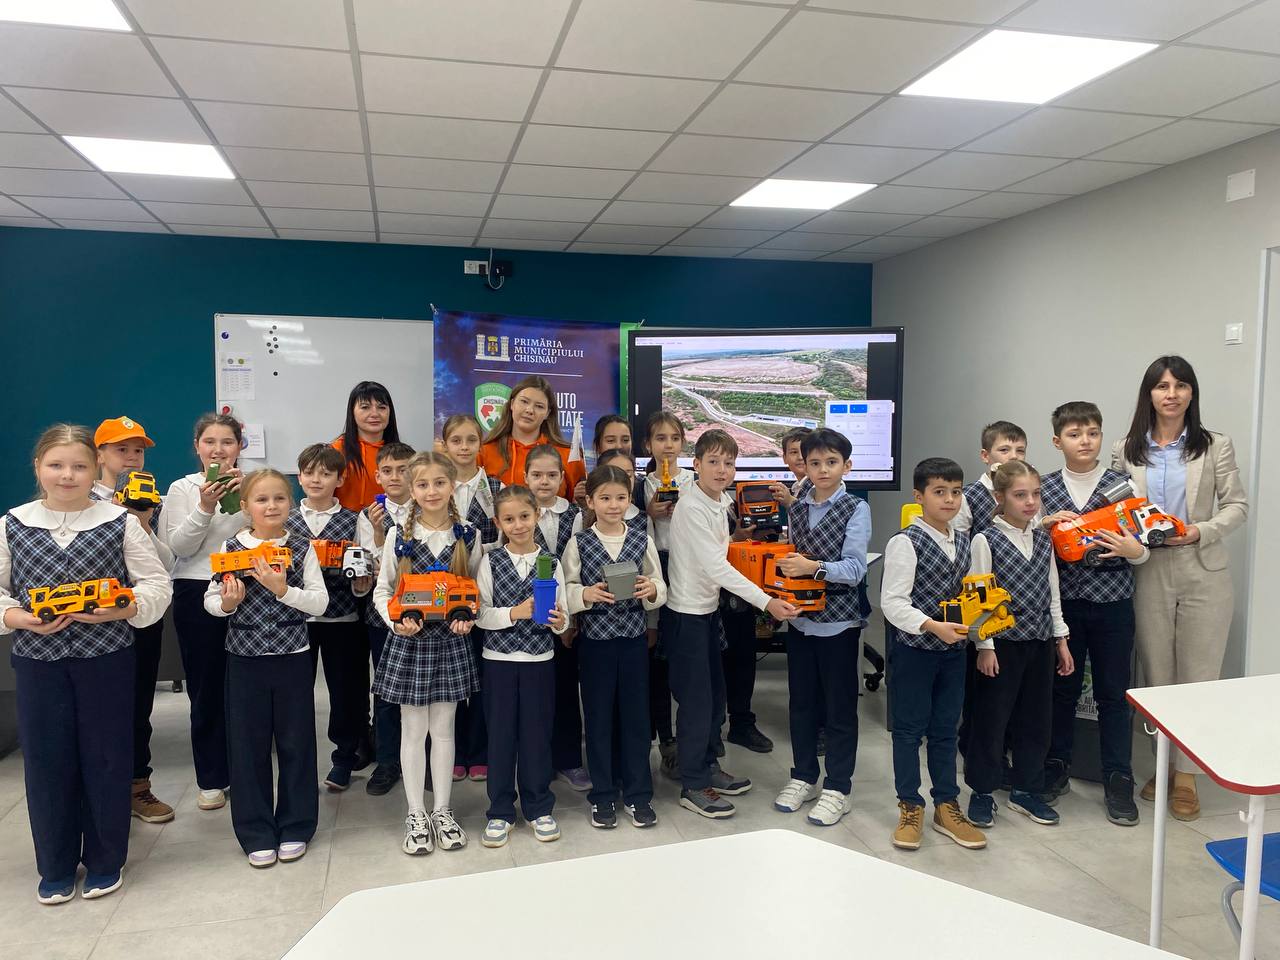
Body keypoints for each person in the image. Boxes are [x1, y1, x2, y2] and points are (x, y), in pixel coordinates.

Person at [1, 424, 172, 904]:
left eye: (78, 466)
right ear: (38, 467)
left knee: (106, 756)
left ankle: (105, 859)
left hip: (106, 660)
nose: (67, 475)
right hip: (38, 663)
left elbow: (156, 586)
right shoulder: (12, 523)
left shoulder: (119, 521)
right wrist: (18, 617)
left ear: (95, 469)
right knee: (46, 761)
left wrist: (123, 608)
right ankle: (55, 865)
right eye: (56, 465)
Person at [1112, 355, 1248, 821]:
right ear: (1149, 394)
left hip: (1202, 567)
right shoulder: (1127, 449)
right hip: (1147, 568)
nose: (1171, 394)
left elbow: (1237, 506)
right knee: (1157, 677)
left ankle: (1188, 775)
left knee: (1199, 678)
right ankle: (1163, 766)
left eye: (1180, 385)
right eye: (1162, 386)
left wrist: (1199, 531)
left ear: (1192, 392)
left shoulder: (1215, 446)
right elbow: (1112, 509)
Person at [666, 429, 798, 818]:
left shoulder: (721, 502)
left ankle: (707, 766)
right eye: (713, 462)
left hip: (709, 612)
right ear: (696, 465)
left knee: (715, 698)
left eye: (728, 463)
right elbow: (717, 567)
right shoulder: (691, 508)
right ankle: (693, 784)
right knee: (696, 703)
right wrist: (767, 601)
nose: (722, 470)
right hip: (687, 615)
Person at [204, 469, 327, 867]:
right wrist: (228, 603)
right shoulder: (230, 547)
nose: (271, 506)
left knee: (296, 743)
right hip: (245, 659)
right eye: (261, 499)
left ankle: (297, 825)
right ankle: (255, 831)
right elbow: (210, 600)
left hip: (293, 657)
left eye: (279, 498)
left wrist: (283, 590)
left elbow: (320, 603)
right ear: (245, 507)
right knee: (247, 747)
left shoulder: (303, 548)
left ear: (290, 503)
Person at [1039, 402, 1146, 826]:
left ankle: (1118, 777)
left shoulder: (1123, 486)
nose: (1085, 441)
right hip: (1063, 606)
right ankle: (1056, 764)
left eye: (1093, 433)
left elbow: (1144, 543)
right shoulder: (1043, 488)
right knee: (1060, 690)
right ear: (1057, 441)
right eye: (1074, 434)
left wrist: (1134, 551)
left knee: (1113, 695)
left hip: (1113, 604)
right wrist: (1043, 525)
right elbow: (1024, 541)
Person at [371, 452, 480, 855]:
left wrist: (469, 619)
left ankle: (442, 810)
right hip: (409, 644)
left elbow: (476, 592)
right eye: (422, 484)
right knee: (413, 731)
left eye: (439, 482)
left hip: (451, 643)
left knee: (445, 729)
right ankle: (416, 812)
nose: (431, 491)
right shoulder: (398, 536)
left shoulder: (468, 535)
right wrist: (395, 622)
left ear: (452, 485)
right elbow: (383, 591)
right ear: (412, 490)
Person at [881, 458, 985, 852]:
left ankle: (946, 806)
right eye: (939, 492)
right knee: (909, 732)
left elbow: (970, 594)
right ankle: (910, 806)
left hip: (953, 653)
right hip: (915, 653)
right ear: (919, 496)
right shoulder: (906, 542)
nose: (949, 499)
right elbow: (893, 603)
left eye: (956, 492)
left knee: (945, 730)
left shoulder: (964, 541)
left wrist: (982, 619)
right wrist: (931, 625)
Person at [964, 460, 1073, 831]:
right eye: (1020, 495)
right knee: (991, 720)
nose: (1030, 502)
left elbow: (1052, 592)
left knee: (1036, 720)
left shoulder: (1043, 538)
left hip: (1039, 642)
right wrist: (984, 645)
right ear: (1000, 497)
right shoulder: (986, 539)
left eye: (1036, 494)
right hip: (1002, 645)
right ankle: (982, 790)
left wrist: (1060, 639)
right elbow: (978, 596)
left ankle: (1027, 789)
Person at [772, 429, 870, 826]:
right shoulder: (796, 508)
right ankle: (804, 776)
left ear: (847, 466)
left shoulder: (855, 508)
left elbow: (855, 569)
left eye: (831, 462)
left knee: (839, 709)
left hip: (839, 625)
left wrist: (814, 567)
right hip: (801, 622)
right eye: (815, 463)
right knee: (802, 704)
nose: (823, 470)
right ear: (804, 466)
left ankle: (838, 787)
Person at [564, 464, 667, 829]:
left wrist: (651, 590)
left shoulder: (642, 539)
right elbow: (567, 589)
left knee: (636, 719)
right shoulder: (579, 543)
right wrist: (584, 595)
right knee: (598, 719)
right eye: (604, 498)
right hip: (596, 646)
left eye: (620, 497)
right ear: (590, 501)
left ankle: (639, 794)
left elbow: (659, 584)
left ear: (629, 499)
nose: (613, 505)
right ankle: (603, 794)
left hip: (633, 643)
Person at [92, 415, 177, 825]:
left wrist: (142, 522)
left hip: (140, 614)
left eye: (137, 450)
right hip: (93, 619)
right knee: (97, 708)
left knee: (139, 703)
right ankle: (99, 793)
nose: (131, 457)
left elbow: (166, 563)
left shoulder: (150, 499)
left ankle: (137, 786)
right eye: (121, 449)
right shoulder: (81, 500)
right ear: (100, 454)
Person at [475, 485, 569, 847]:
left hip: (539, 662)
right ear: (498, 522)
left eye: (525, 517)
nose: (518, 525)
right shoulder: (490, 561)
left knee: (536, 735)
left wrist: (559, 622)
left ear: (537, 516)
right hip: (498, 662)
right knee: (500, 738)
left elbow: (563, 617)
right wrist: (514, 613)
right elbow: (481, 614)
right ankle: (500, 811)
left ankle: (538, 806)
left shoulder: (552, 562)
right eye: (510, 519)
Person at [160, 413, 246, 813]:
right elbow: (178, 547)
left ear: (239, 447)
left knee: (247, 686)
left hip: (247, 587)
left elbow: (268, 533)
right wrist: (205, 506)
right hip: (196, 589)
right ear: (197, 447)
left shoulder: (251, 485)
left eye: (227, 442)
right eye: (209, 441)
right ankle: (212, 777)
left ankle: (247, 770)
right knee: (206, 686)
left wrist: (248, 501)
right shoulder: (182, 488)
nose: (218, 450)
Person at [286, 444, 374, 792]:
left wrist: (360, 585)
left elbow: (363, 568)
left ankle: (344, 758)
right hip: (296, 623)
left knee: (345, 694)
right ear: (299, 477)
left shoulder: (355, 520)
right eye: (309, 472)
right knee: (295, 696)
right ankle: (298, 762)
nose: (316, 479)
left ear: (339, 479)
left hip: (342, 620)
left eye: (325, 473)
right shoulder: (286, 518)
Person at [524, 443, 589, 791]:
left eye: (551, 475)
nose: (544, 481)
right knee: (534, 694)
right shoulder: (519, 513)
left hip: (563, 615)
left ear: (562, 478)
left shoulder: (573, 514)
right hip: (526, 616)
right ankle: (538, 760)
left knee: (564, 690)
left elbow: (573, 569)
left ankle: (569, 759)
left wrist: (569, 619)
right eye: (537, 475)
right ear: (525, 478)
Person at [442, 413, 502, 783]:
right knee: (450, 677)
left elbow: (505, 539)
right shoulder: (438, 485)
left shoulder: (494, 487)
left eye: (471, 440)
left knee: (480, 677)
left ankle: (479, 750)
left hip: (484, 591)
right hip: (443, 596)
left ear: (481, 444)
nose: (464, 447)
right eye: (456, 440)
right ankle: (454, 751)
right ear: (445, 445)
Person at [355, 441, 415, 796]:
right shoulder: (369, 515)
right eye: (388, 471)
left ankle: (421, 758)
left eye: (403, 470)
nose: (395, 477)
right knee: (387, 689)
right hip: (383, 616)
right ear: (377, 476)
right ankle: (388, 760)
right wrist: (379, 535)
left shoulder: (427, 507)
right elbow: (370, 565)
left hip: (423, 614)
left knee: (422, 690)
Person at [638, 411, 691, 780]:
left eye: (674, 438)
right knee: (657, 662)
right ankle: (664, 738)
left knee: (685, 663)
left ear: (683, 443)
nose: (667, 445)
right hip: (655, 569)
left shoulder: (693, 481)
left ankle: (693, 740)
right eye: (660, 438)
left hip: (687, 570)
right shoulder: (640, 486)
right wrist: (649, 513)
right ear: (648, 445)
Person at [479, 375, 586, 499]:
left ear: (547, 413)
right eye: (524, 401)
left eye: (539, 406)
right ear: (512, 404)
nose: (529, 410)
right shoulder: (484, 452)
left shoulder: (569, 456)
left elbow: (579, 505)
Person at [332, 381, 400, 512]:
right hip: (343, 522)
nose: (375, 414)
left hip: (387, 521)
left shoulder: (402, 455)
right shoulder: (336, 450)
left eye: (382, 407)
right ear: (352, 412)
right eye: (365, 407)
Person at [952, 421, 1027, 535]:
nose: (1014, 456)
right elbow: (959, 541)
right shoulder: (967, 497)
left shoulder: (1030, 492)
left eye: (1020, 450)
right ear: (985, 456)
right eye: (1004, 450)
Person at [573, 414, 633, 507]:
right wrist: (584, 505)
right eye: (610, 440)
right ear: (598, 446)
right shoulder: (586, 484)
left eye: (625, 440)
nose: (619, 446)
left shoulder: (641, 486)